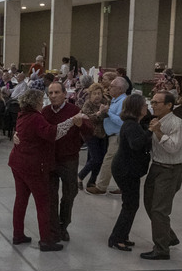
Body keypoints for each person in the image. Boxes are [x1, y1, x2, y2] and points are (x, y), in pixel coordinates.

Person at [8, 89, 83, 252]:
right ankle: (46, 240)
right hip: (32, 166)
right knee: (43, 203)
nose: (45, 102)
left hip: (17, 163)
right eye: (43, 99)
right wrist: (71, 121)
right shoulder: (36, 117)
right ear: (35, 102)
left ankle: (18, 234)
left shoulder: (22, 115)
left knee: (21, 200)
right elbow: (52, 133)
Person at [141, 92, 182, 260]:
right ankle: (168, 236)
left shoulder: (177, 123)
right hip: (156, 166)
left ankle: (161, 248)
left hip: (170, 169)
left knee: (159, 209)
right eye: (152, 101)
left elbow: (173, 148)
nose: (153, 104)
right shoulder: (156, 121)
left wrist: (159, 132)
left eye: (157, 102)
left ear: (169, 105)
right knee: (148, 203)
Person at [42, 82, 90, 243]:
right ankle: (55, 229)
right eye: (50, 93)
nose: (53, 96)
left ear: (65, 94)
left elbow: (90, 133)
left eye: (56, 92)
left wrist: (81, 125)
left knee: (69, 194)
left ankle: (64, 224)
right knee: (50, 196)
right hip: (49, 159)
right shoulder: (45, 112)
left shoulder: (75, 111)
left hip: (69, 160)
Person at [107, 95, 152, 251]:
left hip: (128, 168)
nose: (146, 107)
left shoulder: (134, 124)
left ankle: (122, 235)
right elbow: (136, 144)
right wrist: (150, 132)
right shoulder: (131, 125)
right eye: (144, 104)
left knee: (131, 204)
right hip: (126, 170)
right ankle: (116, 238)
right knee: (130, 205)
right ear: (137, 108)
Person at [89, 76, 128, 195]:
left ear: (120, 89)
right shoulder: (115, 100)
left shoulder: (123, 102)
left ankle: (101, 186)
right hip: (111, 136)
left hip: (117, 136)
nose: (109, 88)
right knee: (119, 163)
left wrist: (108, 112)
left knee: (108, 161)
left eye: (112, 86)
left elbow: (121, 121)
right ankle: (123, 186)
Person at [77, 84, 108, 190]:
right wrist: (100, 113)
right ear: (90, 95)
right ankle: (80, 176)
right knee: (96, 158)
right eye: (94, 94)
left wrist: (106, 112)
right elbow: (88, 118)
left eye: (99, 93)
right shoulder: (87, 104)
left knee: (97, 158)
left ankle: (92, 181)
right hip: (91, 134)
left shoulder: (105, 103)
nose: (97, 96)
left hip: (103, 134)